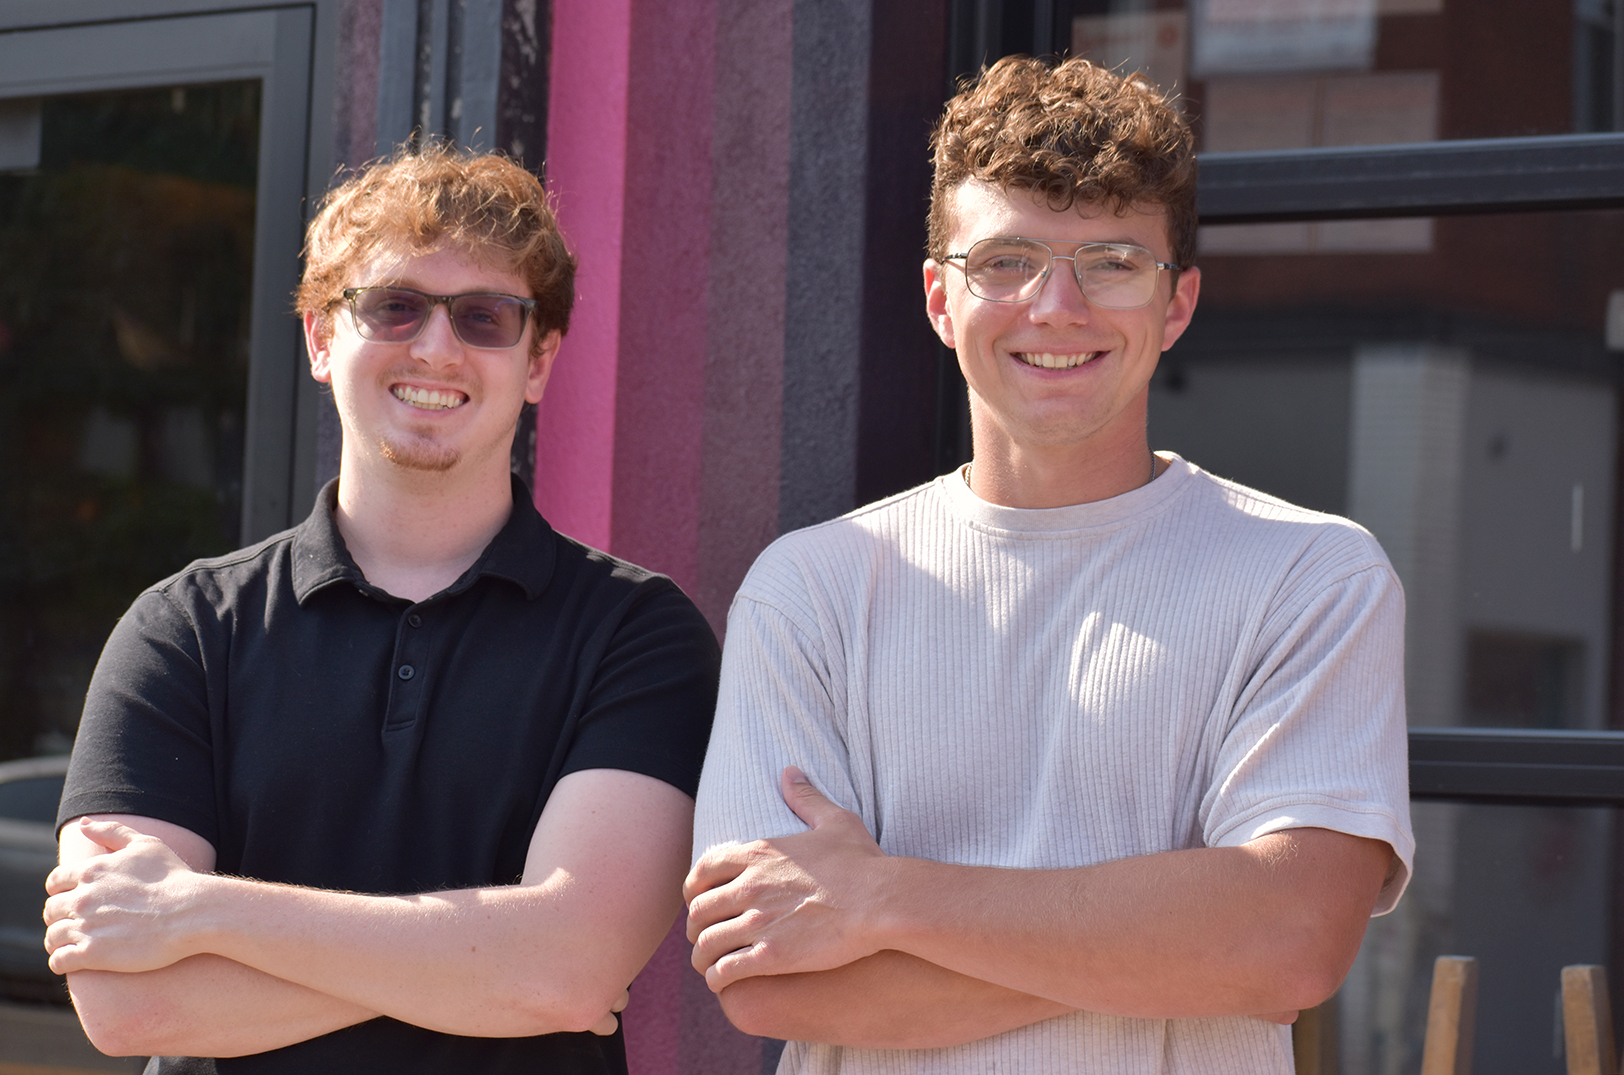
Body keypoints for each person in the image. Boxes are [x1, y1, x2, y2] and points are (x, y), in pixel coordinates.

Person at [684, 56, 1412, 1074]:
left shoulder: (1307, 577)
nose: (1056, 305)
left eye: (1112, 261)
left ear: (1178, 302)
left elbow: (1286, 942)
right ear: (940, 298)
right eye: (1006, 260)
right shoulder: (813, 589)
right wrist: (1174, 935)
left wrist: (886, 897)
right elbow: (767, 978)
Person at [43, 146, 719, 1075]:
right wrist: (489, 969)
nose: (436, 348)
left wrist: (200, 911)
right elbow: (129, 1003)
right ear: (322, 337)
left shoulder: (636, 635)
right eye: (395, 305)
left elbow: (565, 968)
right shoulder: (184, 628)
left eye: (485, 317)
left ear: (538, 361)